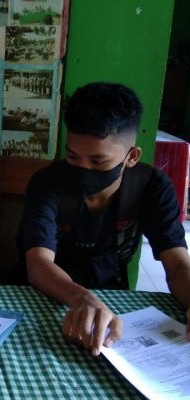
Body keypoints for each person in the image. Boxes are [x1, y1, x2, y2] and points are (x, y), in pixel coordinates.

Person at [18, 82, 190, 356]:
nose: (84, 169)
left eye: (98, 162)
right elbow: (38, 264)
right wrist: (84, 299)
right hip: (45, 293)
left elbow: (178, 262)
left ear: (131, 157)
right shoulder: (48, 182)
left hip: (110, 295)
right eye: (73, 156)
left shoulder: (152, 187)